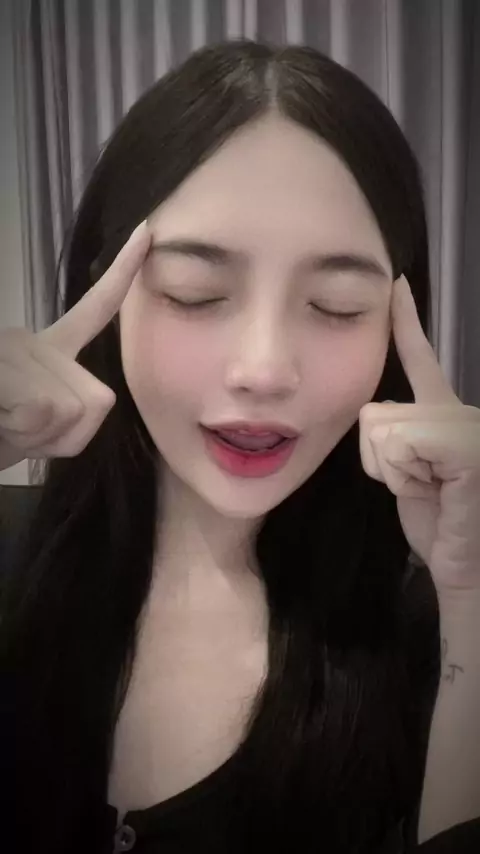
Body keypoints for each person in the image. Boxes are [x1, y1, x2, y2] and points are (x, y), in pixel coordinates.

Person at [1, 39, 479, 854]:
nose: (263, 370)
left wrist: (471, 602)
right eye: (196, 294)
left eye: (336, 306)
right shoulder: (13, 560)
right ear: (106, 296)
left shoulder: (426, 635)